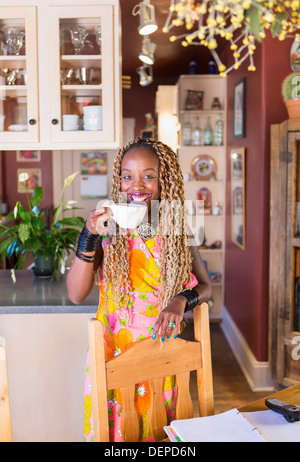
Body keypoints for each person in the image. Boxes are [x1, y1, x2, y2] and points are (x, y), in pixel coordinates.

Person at [67, 138, 211, 442]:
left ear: (165, 180)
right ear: (119, 179)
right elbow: (76, 295)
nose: (137, 185)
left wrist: (180, 301)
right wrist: (88, 237)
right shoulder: (108, 226)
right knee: (116, 433)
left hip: (162, 352)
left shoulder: (176, 228)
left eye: (148, 175)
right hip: (112, 352)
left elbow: (207, 286)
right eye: (127, 175)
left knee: (158, 432)